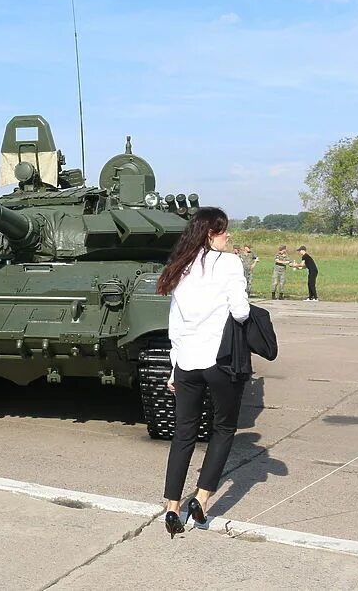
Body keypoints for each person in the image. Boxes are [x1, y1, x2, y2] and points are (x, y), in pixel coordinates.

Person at [156, 207, 249, 538]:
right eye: (224, 231)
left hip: (186, 363)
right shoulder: (230, 263)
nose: (229, 236)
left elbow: (175, 325)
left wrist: (173, 365)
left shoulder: (179, 267)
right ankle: (203, 498)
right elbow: (240, 312)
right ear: (210, 234)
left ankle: (171, 507)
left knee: (183, 434)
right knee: (223, 429)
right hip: (219, 361)